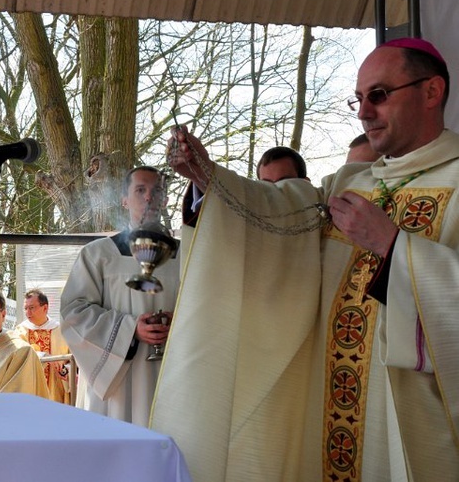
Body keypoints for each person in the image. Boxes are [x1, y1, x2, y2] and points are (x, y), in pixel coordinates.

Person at [153, 38, 459, 481]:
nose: (363, 112)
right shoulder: (352, 181)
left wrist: (394, 245)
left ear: (431, 92)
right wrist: (210, 179)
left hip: (411, 418)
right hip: (330, 409)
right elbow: (280, 218)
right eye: (358, 98)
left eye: (379, 95)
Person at [60, 166, 180, 427]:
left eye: (157, 190)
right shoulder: (99, 254)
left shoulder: (186, 255)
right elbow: (73, 313)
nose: (149, 197)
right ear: (124, 200)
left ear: (166, 199)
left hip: (173, 376)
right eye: (140, 190)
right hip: (117, 385)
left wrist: (180, 324)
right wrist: (130, 328)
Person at [15, 289, 71, 404]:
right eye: (26, 308)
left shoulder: (61, 331)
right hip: (29, 392)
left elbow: (73, 360)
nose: (28, 313)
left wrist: (66, 371)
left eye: (32, 308)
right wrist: (45, 356)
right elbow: (18, 357)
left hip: (56, 393)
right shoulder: (20, 331)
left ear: (45, 308)